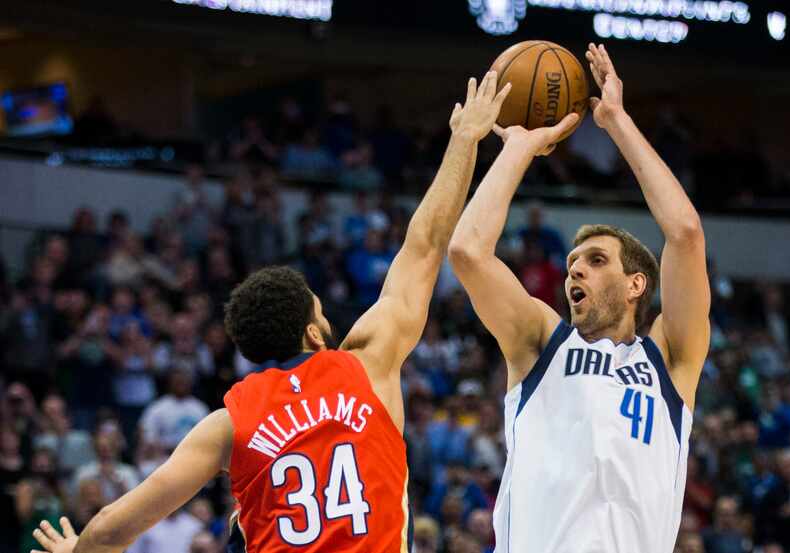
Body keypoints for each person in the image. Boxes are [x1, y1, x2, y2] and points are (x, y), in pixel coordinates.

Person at [31, 71, 512, 553]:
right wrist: (465, 139)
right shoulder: (368, 364)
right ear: (314, 332)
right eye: (322, 313)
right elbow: (425, 244)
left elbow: (112, 527)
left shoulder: (228, 424)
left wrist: (78, 549)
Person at [448, 43, 710, 552]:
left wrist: (615, 121)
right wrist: (519, 147)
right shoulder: (542, 343)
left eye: (595, 260)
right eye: (572, 264)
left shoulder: (670, 360)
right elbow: (468, 252)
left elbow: (685, 233)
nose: (576, 270)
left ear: (637, 285)